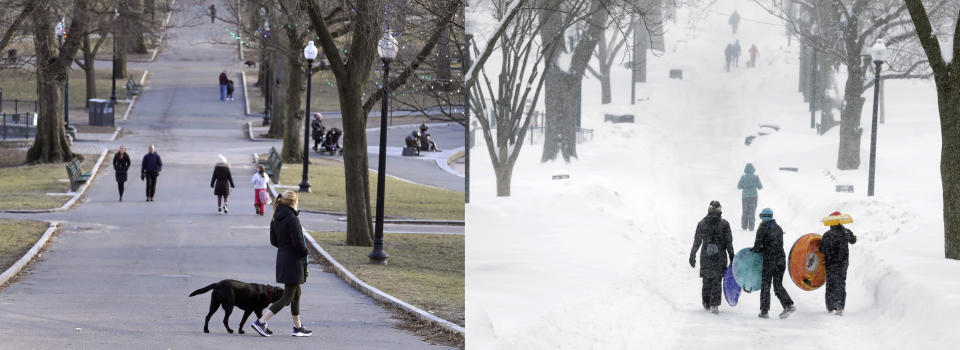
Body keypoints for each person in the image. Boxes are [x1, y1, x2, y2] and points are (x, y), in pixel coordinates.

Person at [251, 191, 313, 337]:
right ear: (293, 202)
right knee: (287, 296)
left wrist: (285, 247)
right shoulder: (292, 219)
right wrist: (305, 252)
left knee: (296, 293)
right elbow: (299, 243)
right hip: (293, 260)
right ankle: (261, 322)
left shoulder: (275, 217)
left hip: (283, 258)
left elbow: (274, 241)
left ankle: (297, 327)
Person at [689, 200, 735, 314]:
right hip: (720, 258)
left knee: (706, 280)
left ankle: (706, 302)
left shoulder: (702, 223)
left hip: (706, 257)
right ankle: (714, 304)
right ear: (720, 210)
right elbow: (729, 242)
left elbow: (697, 241)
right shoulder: (724, 224)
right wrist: (732, 256)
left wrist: (692, 254)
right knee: (717, 280)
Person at [751, 208, 796, 319]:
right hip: (780, 259)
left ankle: (764, 311)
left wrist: (754, 251)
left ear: (764, 216)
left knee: (765, 285)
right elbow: (777, 245)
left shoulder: (762, 228)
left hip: (769, 260)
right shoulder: (778, 228)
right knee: (778, 285)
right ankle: (788, 305)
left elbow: (757, 247)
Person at [819, 212, 857, 316]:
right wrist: (849, 235)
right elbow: (853, 241)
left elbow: (821, 249)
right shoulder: (846, 232)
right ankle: (840, 305)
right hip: (843, 263)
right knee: (841, 283)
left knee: (831, 283)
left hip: (831, 263)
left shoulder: (827, 235)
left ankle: (830, 306)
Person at [737, 163, 763, 231]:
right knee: (752, 212)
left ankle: (744, 227)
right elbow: (760, 187)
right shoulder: (756, 177)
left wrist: (744, 186)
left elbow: (738, 186)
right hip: (754, 197)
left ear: (746, 169)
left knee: (745, 211)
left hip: (745, 197)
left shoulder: (743, 177)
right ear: (753, 169)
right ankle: (751, 227)